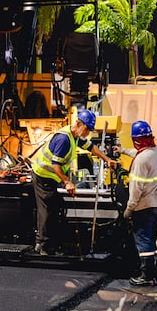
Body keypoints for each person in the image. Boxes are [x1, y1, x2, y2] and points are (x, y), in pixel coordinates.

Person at [31, 109, 117, 255]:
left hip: (52, 177)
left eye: (90, 130)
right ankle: (43, 245)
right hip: (43, 176)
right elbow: (55, 165)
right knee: (47, 210)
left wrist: (107, 159)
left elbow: (91, 147)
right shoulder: (64, 139)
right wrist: (67, 182)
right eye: (87, 129)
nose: (88, 133)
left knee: (57, 207)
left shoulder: (75, 136)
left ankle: (52, 242)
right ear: (78, 124)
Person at [116, 120, 157, 286]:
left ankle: (146, 275)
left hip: (143, 206)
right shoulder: (155, 152)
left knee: (144, 240)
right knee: (156, 240)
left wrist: (129, 209)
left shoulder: (140, 161)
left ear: (135, 139)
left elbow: (136, 188)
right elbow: (138, 153)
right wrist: (122, 150)